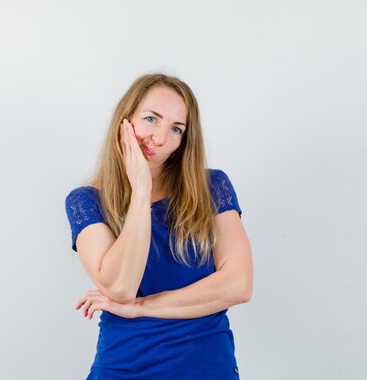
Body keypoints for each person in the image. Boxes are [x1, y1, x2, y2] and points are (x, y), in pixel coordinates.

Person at [64, 73, 254, 380]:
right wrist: (141, 189)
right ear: (125, 121)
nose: (160, 138)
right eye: (151, 119)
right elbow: (121, 286)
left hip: (205, 367)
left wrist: (141, 307)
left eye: (176, 128)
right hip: (124, 367)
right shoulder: (86, 201)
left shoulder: (211, 187)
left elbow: (238, 286)